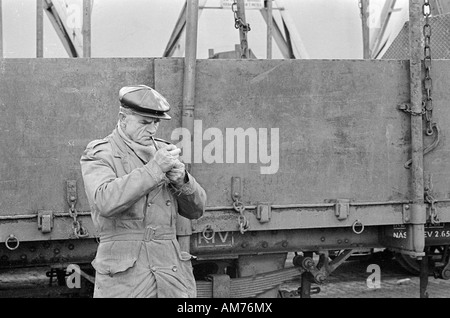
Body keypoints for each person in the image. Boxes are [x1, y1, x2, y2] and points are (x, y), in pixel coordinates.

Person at [80, 84, 207, 298]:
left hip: (170, 274)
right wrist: (155, 169)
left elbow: (197, 210)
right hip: (126, 279)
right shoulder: (101, 153)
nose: (152, 129)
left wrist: (182, 181)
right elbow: (105, 201)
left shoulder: (162, 151)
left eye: (156, 122)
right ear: (123, 119)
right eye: (144, 122)